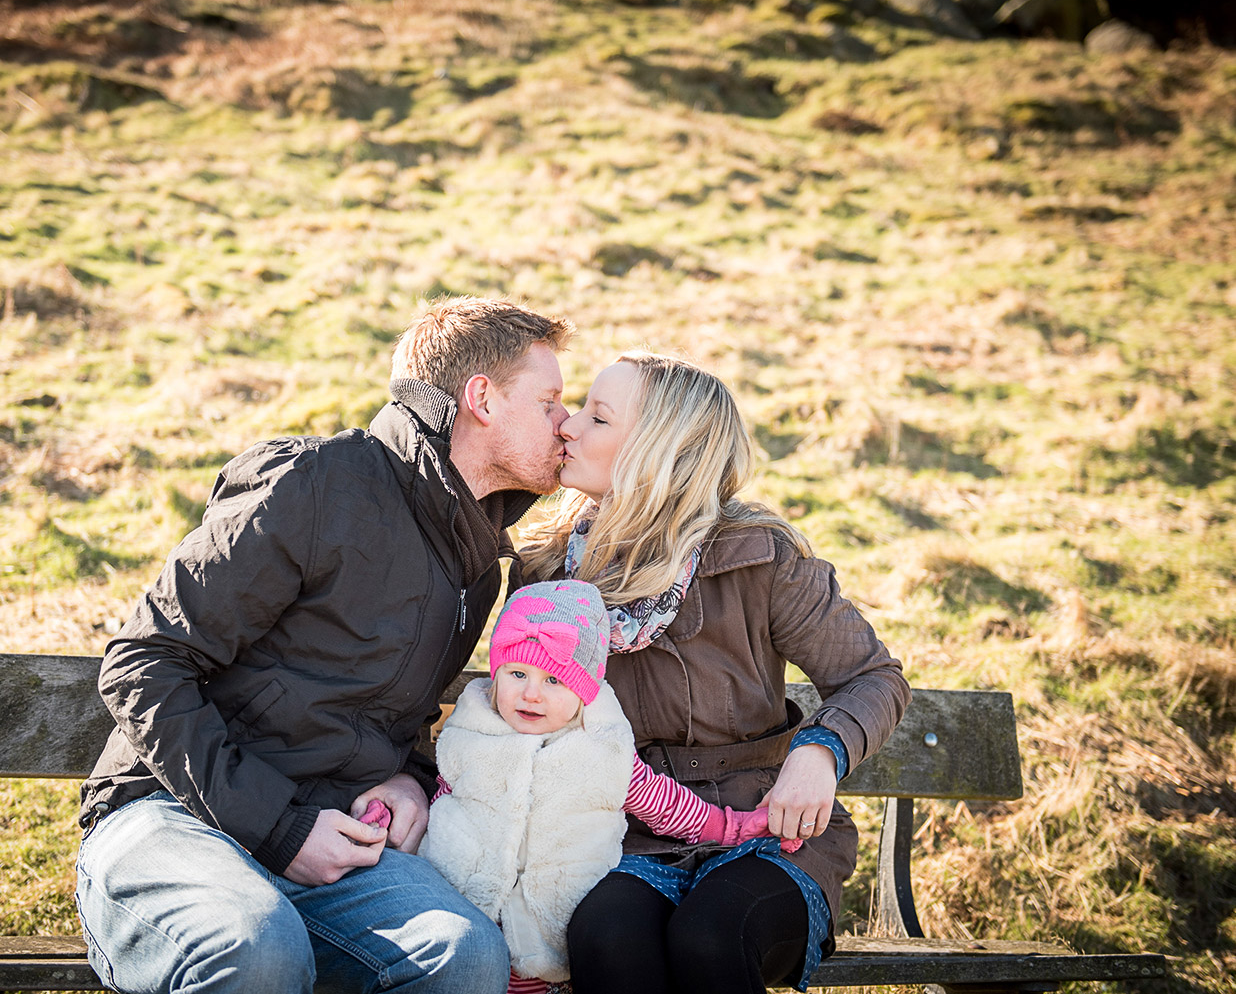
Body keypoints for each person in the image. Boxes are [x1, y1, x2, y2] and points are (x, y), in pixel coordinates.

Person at [75, 296, 575, 994]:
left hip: (329, 835)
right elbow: (143, 664)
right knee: (257, 949)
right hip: (171, 813)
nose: (567, 422)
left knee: (464, 957)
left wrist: (411, 778)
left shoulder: (473, 563)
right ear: (482, 398)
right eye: (550, 399)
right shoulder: (313, 485)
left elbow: (379, 710)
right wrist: (279, 827)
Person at [518, 352, 912, 994]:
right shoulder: (548, 575)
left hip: (769, 834)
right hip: (631, 837)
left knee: (711, 936)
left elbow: (874, 678)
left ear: (658, 450)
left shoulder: (759, 558)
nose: (568, 426)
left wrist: (820, 751)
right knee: (605, 939)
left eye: (598, 416)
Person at [419, 579, 797, 994]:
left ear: (584, 692)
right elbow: (442, 802)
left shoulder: (600, 752)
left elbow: (668, 806)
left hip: (549, 924)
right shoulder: (473, 733)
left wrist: (735, 828)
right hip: (465, 907)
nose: (530, 695)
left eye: (553, 681)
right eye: (517, 673)